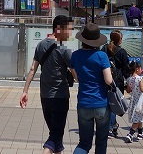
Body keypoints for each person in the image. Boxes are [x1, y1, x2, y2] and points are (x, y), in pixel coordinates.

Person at [21, 15, 74, 154]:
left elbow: (33, 69)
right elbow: (76, 74)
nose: (70, 33)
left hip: (45, 97)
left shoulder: (41, 45)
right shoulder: (64, 50)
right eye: (68, 30)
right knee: (55, 135)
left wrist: (25, 91)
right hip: (60, 97)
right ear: (58, 29)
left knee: (55, 134)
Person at [70, 23, 114, 154]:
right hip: (101, 103)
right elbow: (108, 80)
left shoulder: (75, 55)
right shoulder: (102, 56)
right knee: (101, 143)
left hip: (83, 103)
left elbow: (77, 78)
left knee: (84, 143)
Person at [105, 30, 129, 138]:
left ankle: (111, 125)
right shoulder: (122, 52)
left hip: (105, 79)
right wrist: (129, 82)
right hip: (117, 80)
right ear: (119, 40)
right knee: (114, 103)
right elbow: (126, 69)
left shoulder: (105, 48)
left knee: (108, 104)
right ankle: (111, 126)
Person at [123, 62, 143, 143]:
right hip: (140, 102)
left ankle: (140, 133)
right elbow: (142, 90)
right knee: (137, 118)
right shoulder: (140, 78)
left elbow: (128, 90)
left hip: (133, 101)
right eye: (140, 68)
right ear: (137, 69)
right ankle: (130, 134)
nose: (141, 70)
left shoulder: (129, 79)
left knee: (139, 117)